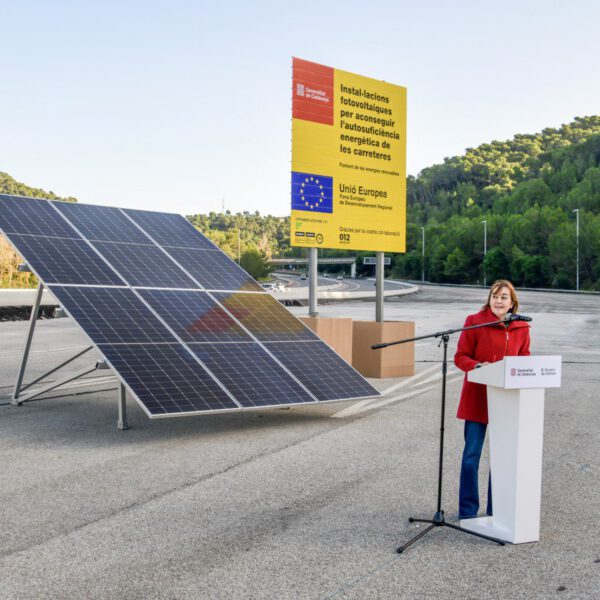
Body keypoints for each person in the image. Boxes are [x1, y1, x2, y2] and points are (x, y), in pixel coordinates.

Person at [454, 279, 531, 519]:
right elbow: (460, 356)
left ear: (512, 303)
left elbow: (525, 358)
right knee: (471, 457)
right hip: (478, 398)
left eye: (504, 297)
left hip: (505, 401)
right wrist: (477, 365)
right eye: (495, 296)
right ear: (489, 299)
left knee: (500, 460)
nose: (498, 300)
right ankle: (467, 512)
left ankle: (495, 511)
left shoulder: (521, 328)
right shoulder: (474, 322)